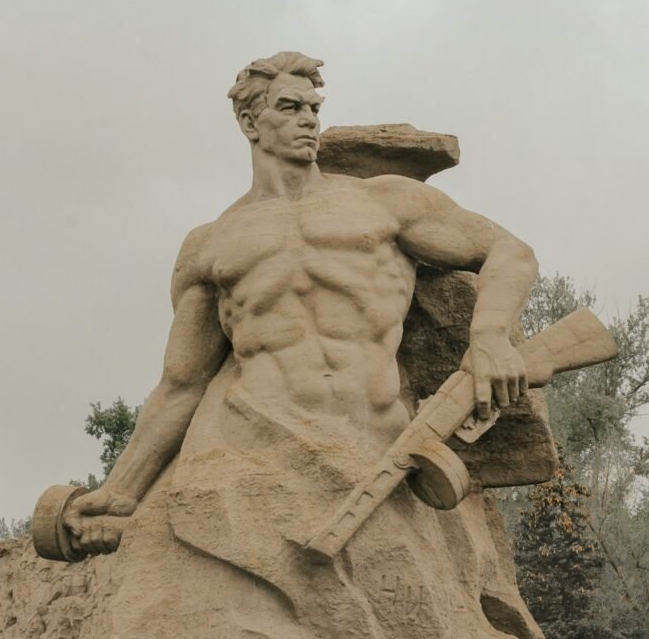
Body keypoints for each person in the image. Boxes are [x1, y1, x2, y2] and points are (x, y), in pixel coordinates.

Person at [65, 52, 544, 638]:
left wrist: (490, 335)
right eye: (290, 108)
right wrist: (120, 494)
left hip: (373, 449)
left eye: (314, 108)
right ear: (250, 123)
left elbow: (508, 251)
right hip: (248, 453)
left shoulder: (382, 202)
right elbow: (182, 383)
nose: (308, 121)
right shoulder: (211, 244)